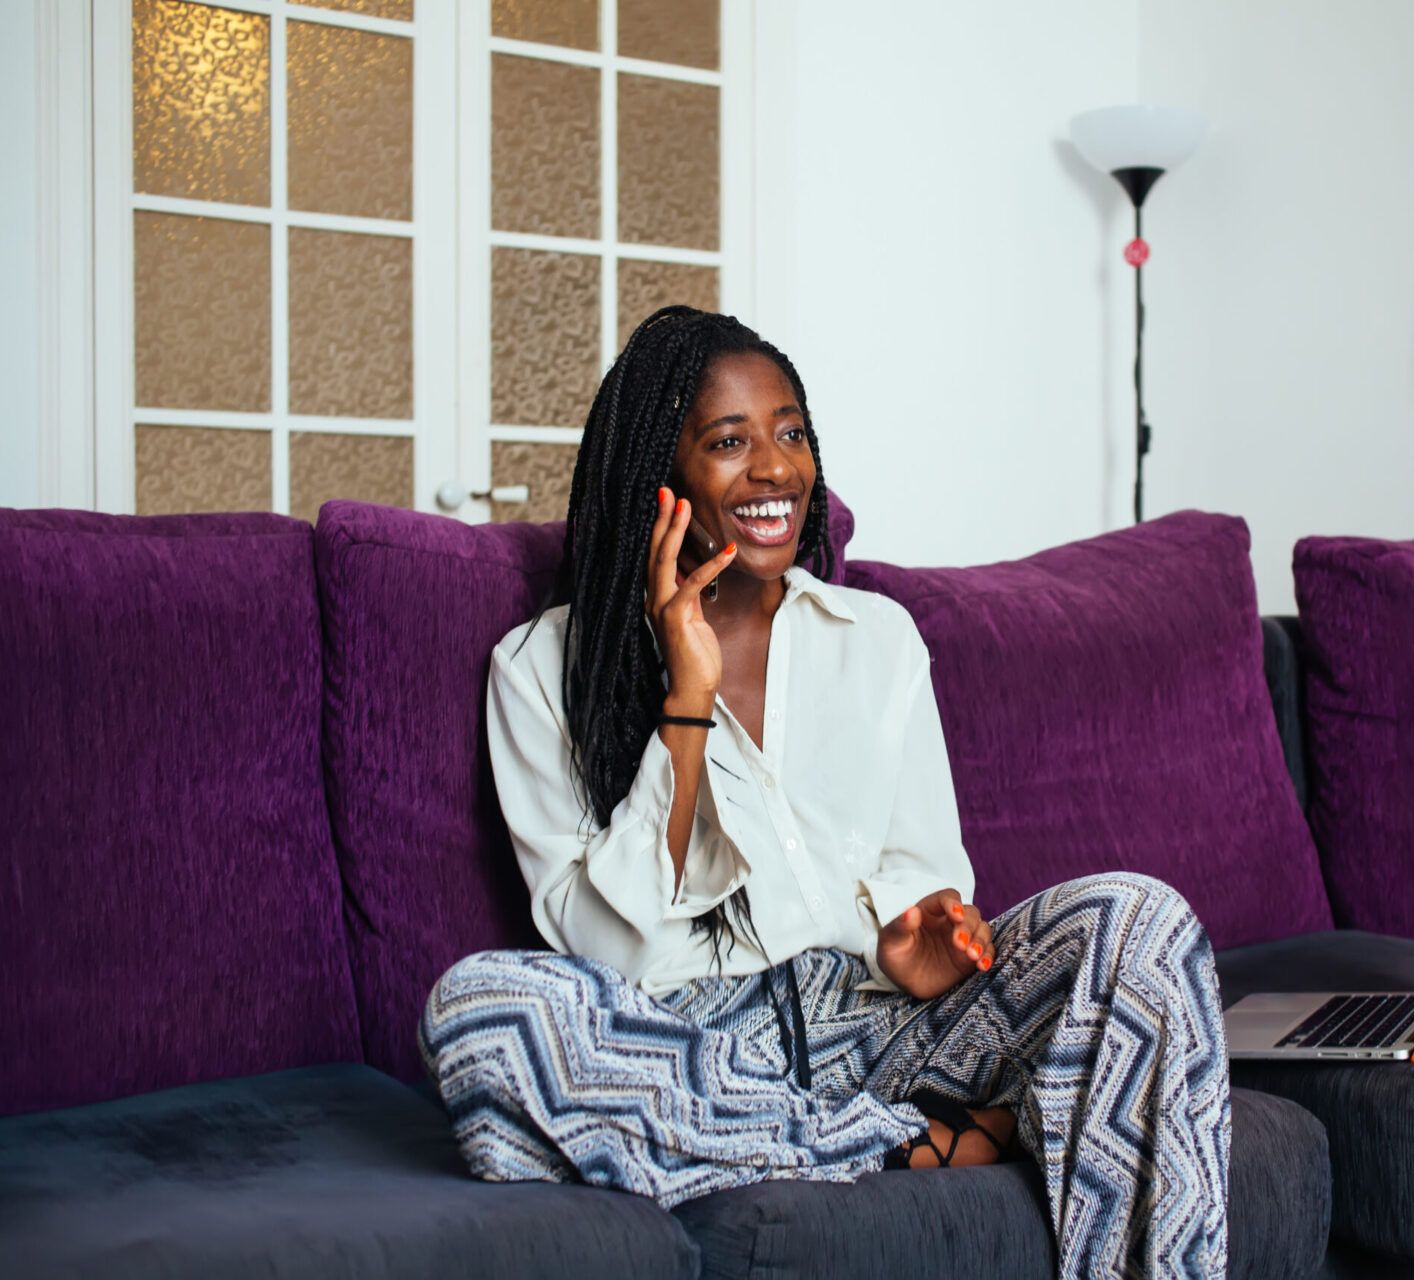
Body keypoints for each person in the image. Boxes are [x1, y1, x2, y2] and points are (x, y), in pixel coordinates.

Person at [419, 306, 1231, 1279]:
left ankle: (900, 1133)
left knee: (1142, 920)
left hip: (881, 1018)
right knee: (485, 1013)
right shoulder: (542, 671)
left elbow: (922, 874)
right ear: (658, 474)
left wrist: (909, 942)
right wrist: (686, 698)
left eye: (791, 432)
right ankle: (915, 1140)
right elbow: (611, 946)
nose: (776, 468)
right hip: (690, 1044)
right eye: (730, 441)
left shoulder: (876, 637)